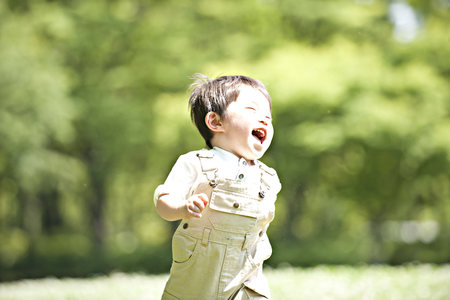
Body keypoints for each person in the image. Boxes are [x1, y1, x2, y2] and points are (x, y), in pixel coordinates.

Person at [154, 74, 282, 300]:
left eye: (268, 117)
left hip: (247, 272)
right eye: (252, 110)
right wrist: (183, 207)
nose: (264, 120)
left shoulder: (268, 178)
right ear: (216, 122)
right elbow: (163, 203)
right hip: (200, 268)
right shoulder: (196, 162)